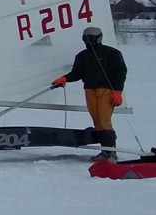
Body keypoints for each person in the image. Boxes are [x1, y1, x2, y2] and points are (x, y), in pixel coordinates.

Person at [51, 26, 127, 161]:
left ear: (98, 38)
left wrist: (117, 91)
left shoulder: (112, 53)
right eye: (85, 39)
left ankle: (111, 153)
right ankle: (105, 152)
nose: (88, 42)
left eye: (90, 39)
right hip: (89, 90)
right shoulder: (82, 56)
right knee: (97, 121)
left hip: (106, 91)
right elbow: (77, 73)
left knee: (104, 120)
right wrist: (65, 78)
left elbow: (121, 72)